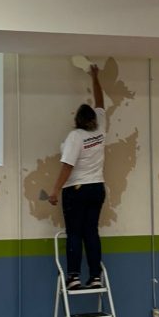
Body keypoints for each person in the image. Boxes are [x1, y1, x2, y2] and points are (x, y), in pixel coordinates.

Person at [48, 64, 107, 290]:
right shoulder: (100, 129)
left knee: (74, 232)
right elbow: (100, 102)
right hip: (97, 188)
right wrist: (95, 77)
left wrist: (55, 190)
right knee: (91, 232)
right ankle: (95, 277)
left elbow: (67, 166)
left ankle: (73, 277)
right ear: (93, 118)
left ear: (77, 120)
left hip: (77, 189)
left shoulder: (76, 136)